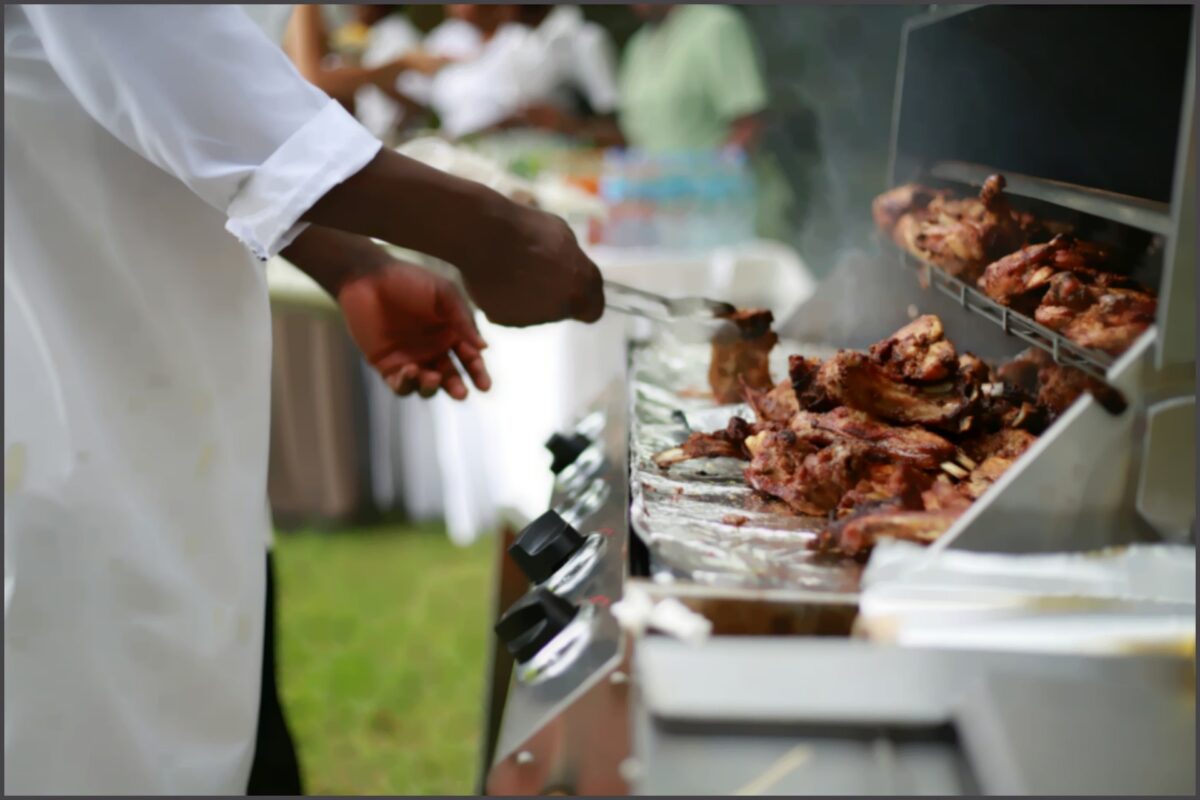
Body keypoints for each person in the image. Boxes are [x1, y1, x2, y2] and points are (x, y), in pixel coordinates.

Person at [3, 4, 603, 795]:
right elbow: (176, 63)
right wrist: (490, 230)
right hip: (59, 409)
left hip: (171, 406)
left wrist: (347, 261)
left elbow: (153, 110)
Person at [618, 4, 793, 237]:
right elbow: (639, 136)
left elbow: (749, 123)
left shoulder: (716, 27)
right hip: (667, 224)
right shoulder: (637, 46)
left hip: (729, 218)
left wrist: (705, 184)